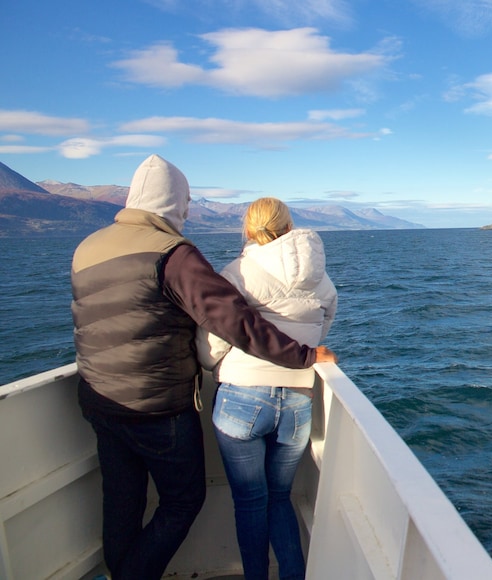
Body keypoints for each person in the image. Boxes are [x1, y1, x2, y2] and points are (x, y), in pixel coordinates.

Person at [70, 154, 337, 580]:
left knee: (122, 501)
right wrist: (303, 356)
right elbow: (230, 320)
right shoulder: (172, 253)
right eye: (187, 203)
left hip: (99, 401)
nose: (190, 212)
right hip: (158, 406)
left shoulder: (86, 249)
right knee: (182, 501)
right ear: (172, 202)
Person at [196, 197, 337, 580]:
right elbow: (319, 332)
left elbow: (214, 340)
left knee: (250, 502)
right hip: (296, 401)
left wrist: (212, 366)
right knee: (280, 498)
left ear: (249, 227)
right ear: (289, 224)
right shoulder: (321, 280)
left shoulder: (238, 272)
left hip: (242, 397)